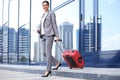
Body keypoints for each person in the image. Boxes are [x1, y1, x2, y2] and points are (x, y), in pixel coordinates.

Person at [37, 0, 61, 77]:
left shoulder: (51, 13)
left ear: (48, 6)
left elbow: (54, 24)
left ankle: (48, 70)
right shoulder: (42, 15)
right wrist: (38, 30)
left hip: (50, 35)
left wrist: (57, 36)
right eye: (43, 5)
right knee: (44, 53)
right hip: (42, 35)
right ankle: (57, 63)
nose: (44, 6)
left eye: (46, 5)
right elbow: (41, 25)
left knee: (48, 52)